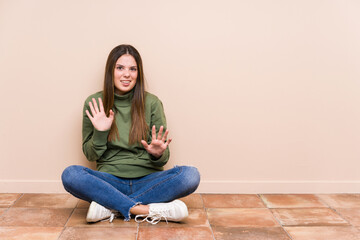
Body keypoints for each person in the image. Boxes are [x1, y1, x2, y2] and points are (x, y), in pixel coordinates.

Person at [61, 44, 200, 224]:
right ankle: (145, 210)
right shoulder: (95, 103)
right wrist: (100, 133)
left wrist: (158, 153)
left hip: (149, 180)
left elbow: (164, 158)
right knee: (71, 174)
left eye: (132, 69)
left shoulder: (152, 103)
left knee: (190, 175)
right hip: (109, 181)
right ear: (111, 71)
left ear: (138, 73)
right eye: (120, 68)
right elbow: (90, 154)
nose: (127, 74)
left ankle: (111, 206)